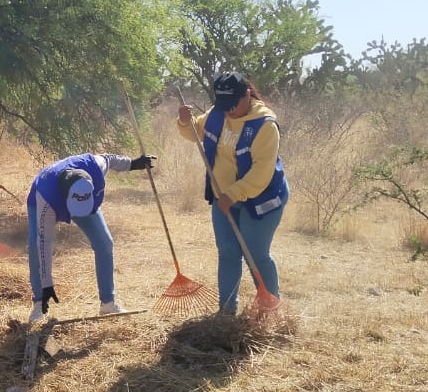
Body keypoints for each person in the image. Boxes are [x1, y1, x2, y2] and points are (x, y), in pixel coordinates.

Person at [177, 71, 289, 314]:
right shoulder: (217, 113)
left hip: (261, 198)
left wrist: (233, 194)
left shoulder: (265, 125)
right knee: (227, 252)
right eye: (223, 104)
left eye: (233, 104)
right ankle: (226, 311)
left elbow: (261, 173)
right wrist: (185, 122)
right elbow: (195, 132)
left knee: (256, 253)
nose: (228, 111)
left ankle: (270, 312)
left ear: (246, 95)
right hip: (225, 196)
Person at [27, 151, 155, 323]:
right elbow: (44, 243)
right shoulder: (46, 198)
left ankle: (108, 303)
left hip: (83, 200)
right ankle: (39, 304)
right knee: (35, 246)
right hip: (45, 196)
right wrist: (47, 285)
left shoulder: (96, 166)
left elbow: (111, 158)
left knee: (104, 242)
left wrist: (132, 164)